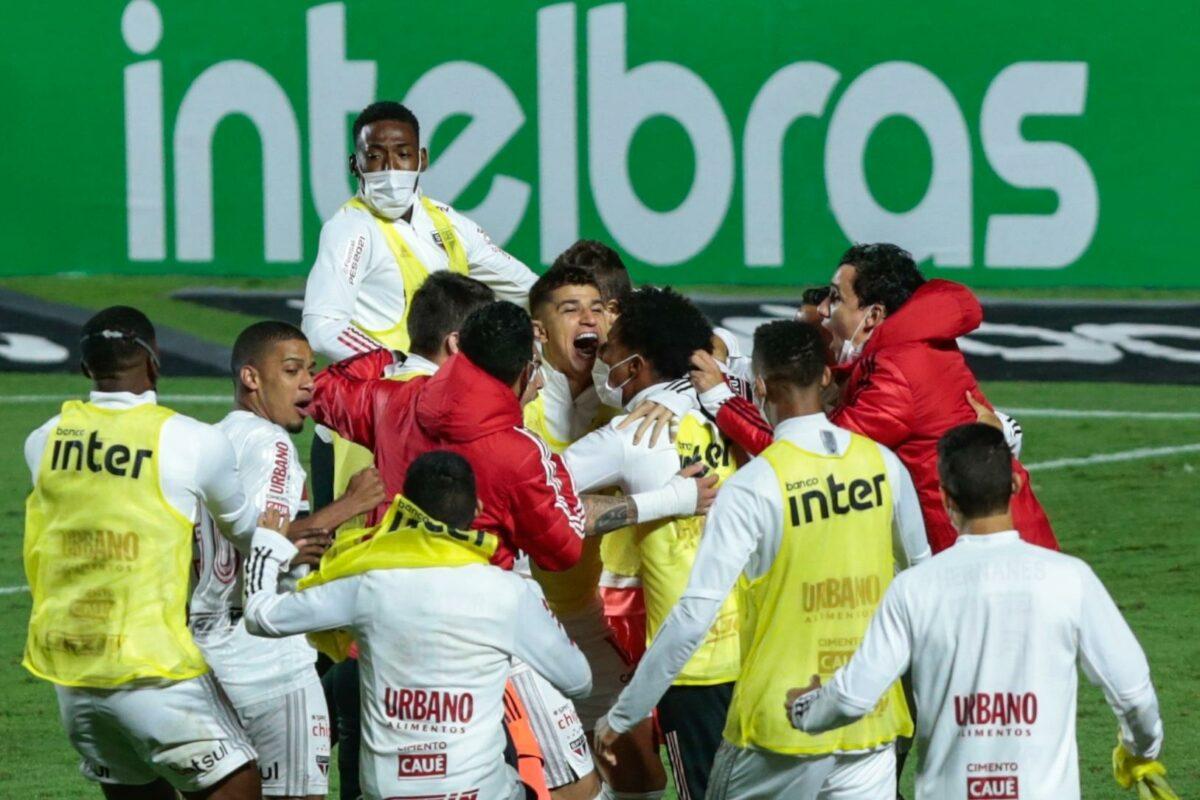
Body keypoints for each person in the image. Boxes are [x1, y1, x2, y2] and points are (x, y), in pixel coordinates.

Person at [306, 300, 714, 799]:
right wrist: (669, 497)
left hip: (392, 615)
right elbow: (560, 549)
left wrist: (382, 355)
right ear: (525, 369)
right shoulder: (517, 450)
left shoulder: (396, 402)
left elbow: (321, 392)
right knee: (571, 780)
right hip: (493, 621)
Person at [594, 319, 929, 799]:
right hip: (868, 720)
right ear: (827, 378)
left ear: (761, 386)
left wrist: (624, 715)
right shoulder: (882, 465)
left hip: (780, 724)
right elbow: (922, 581)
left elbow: (693, 617)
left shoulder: (755, 485)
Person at [789, 423, 1169, 800]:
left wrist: (804, 707)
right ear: (1015, 487)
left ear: (946, 498)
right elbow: (1134, 695)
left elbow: (853, 697)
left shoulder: (914, 587)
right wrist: (1140, 752)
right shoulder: (1070, 579)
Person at [243, 451, 593, 800]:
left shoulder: (369, 585)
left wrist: (266, 545)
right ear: (477, 510)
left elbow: (261, 617)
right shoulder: (509, 592)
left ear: (405, 508)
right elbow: (579, 681)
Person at [22, 306, 263, 799]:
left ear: (86, 368)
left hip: (72, 676)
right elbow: (249, 535)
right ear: (154, 363)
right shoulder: (193, 441)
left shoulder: (42, 442)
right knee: (240, 781)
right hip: (156, 674)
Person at [698, 244, 1056, 554]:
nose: (823, 310)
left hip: (983, 556)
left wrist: (721, 400)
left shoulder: (898, 370)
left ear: (873, 315)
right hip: (999, 541)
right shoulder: (908, 348)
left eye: (836, 297)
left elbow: (812, 455)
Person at [311, 273, 495, 799]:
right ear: (457, 344)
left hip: (364, 612)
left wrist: (380, 355)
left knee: (361, 770)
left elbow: (323, 389)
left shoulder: (370, 397)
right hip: (441, 625)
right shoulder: (466, 409)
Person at [189, 321, 385, 800]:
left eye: (311, 371)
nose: (308, 383)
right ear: (252, 378)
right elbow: (266, 545)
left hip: (204, 657)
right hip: (268, 663)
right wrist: (350, 505)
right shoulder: (271, 445)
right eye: (292, 370)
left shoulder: (209, 442)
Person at [563, 286, 738, 800]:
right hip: (758, 643)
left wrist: (653, 504)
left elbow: (535, 494)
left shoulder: (630, 434)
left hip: (693, 665)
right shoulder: (729, 405)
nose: (602, 360)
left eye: (609, 350)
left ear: (636, 364)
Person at [523, 264, 667, 797]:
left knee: (636, 764)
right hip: (518, 619)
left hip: (579, 612)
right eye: (571, 310)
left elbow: (709, 347)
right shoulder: (518, 401)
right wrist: (657, 500)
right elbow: (541, 510)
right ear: (539, 331)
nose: (590, 319)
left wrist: (667, 395)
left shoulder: (624, 401)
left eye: (600, 309)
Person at [300, 100, 537, 360]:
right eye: (375, 156)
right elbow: (322, 326)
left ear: (422, 159)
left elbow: (530, 290)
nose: (390, 168)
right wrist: (395, 364)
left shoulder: (449, 221)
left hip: (450, 391)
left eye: (403, 154)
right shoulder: (351, 229)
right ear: (355, 164)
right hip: (392, 393)